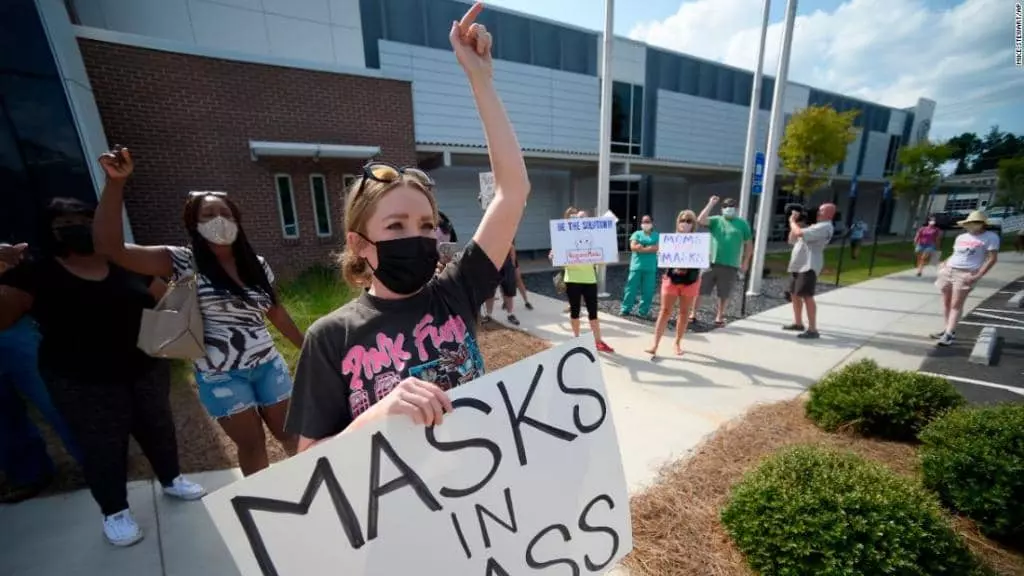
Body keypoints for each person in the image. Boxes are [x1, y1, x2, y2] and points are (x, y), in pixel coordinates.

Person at [284, 3, 531, 447]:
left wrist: (480, 78)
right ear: (360, 244)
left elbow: (512, 191)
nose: (415, 237)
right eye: (395, 226)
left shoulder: (458, 291)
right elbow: (307, 461)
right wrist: (379, 413)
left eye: (425, 224)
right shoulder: (331, 337)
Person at [0, 199, 204, 546]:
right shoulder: (37, 272)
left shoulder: (126, 264)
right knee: (101, 445)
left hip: (144, 368)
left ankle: (171, 479)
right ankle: (115, 511)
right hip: (81, 379)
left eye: (85, 219)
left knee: (158, 428)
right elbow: (4, 318)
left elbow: (165, 299)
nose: (77, 226)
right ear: (50, 230)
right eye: (65, 221)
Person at [93, 148, 304, 476]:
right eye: (208, 215)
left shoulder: (256, 264)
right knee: (252, 446)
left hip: (268, 366)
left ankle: (312, 488)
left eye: (226, 213)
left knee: (291, 436)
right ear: (193, 223)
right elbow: (110, 249)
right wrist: (115, 184)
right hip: (221, 375)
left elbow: (276, 312)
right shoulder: (179, 260)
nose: (219, 220)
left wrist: (307, 348)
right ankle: (265, 507)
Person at [551, 208, 614, 353]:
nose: (581, 220)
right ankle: (577, 338)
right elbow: (557, 255)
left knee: (593, 313)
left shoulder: (594, 236)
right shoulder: (566, 238)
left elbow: (603, 254)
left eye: (584, 217)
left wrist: (607, 254)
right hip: (572, 278)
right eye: (578, 217)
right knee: (575, 311)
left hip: (589, 279)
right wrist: (554, 255)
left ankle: (598, 341)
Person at [932, 211, 1000, 347]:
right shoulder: (961, 237)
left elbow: (992, 259)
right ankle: (947, 330)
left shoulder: (990, 237)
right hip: (949, 270)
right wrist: (944, 264)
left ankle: (949, 334)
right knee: (946, 302)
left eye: (975, 223)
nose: (971, 225)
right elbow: (956, 254)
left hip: (966, 273)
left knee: (956, 304)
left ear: (982, 224)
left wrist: (978, 275)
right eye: (969, 223)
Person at [645, 210, 701, 359]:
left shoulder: (699, 241)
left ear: (693, 224)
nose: (685, 223)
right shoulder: (670, 239)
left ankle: (677, 343)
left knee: (683, 313)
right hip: (672, 279)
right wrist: (661, 255)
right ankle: (655, 345)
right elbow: (664, 259)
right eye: (683, 220)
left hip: (690, 281)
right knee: (665, 311)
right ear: (678, 222)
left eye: (689, 221)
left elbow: (702, 261)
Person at [694, 196, 753, 327]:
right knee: (700, 289)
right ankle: (693, 314)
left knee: (724, 292)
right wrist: (710, 204)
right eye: (725, 206)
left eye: (731, 206)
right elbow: (700, 220)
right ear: (722, 209)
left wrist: (746, 261)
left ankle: (719, 316)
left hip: (730, 264)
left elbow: (749, 244)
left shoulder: (742, 224)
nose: (728, 208)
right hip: (711, 262)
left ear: (736, 208)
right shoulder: (716, 220)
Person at [784, 203, 835, 340]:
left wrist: (792, 221)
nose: (818, 212)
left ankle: (813, 329)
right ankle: (798, 323)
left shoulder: (825, 227)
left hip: (809, 265)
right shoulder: (813, 226)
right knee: (794, 294)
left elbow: (799, 233)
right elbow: (792, 239)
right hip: (798, 264)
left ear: (830, 213)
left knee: (807, 296)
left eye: (822, 210)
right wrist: (798, 223)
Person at [620, 214, 659, 318]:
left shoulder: (656, 235)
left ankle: (643, 312)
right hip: (636, 267)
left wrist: (641, 248)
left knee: (648, 291)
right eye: (643, 222)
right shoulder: (636, 234)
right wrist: (649, 248)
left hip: (650, 268)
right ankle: (625, 309)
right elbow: (633, 247)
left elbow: (657, 248)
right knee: (630, 289)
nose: (645, 224)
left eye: (647, 221)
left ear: (652, 223)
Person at [483, 246, 520, 326]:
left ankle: (510, 314)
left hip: (506, 265)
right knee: (490, 292)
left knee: (509, 291)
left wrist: (512, 264)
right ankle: (488, 315)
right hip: (492, 264)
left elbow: (511, 247)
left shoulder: (503, 235)